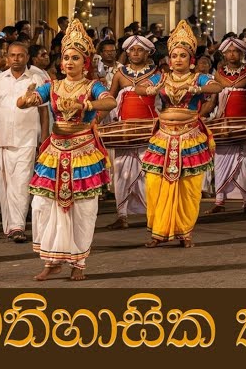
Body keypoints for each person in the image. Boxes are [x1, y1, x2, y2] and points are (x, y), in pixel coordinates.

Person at [16, 20, 116, 281]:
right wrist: (26, 99)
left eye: (75, 58)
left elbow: (111, 100)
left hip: (83, 151)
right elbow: (28, 102)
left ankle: (78, 262)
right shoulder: (53, 85)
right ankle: (52, 259)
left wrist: (88, 106)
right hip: (55, 151)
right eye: (65, 58)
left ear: (85, 62)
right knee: (42, 206)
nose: (69, 62)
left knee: (82, 208)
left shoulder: (92, 85)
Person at [138, 20, 222, 248]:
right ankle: (158, 231)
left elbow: (217, 86)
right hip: (164, 137)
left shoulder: (197, 78)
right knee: (155, 183)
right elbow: (138, 87)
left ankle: (185, 232)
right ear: (169, 59)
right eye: (174, 55)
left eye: (182, 56)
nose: (177, 59)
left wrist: (198, 89)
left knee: (188, 187)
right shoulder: (162, 78)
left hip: (190, 136)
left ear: (190, 59)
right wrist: (150, 89)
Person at [0, 42, 49, 242]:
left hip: (27, 139)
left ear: (27, 57)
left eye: (20, 55)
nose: (16, 59)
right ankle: (10, 227)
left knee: (22, 183)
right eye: (12, 55)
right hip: (2, 139)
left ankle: (17, 226)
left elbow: (44, 112)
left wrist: (44, 139)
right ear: (7, 57)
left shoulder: (38, 78)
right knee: (5, 185)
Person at [208, 36, 246, 213]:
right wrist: (199, 116)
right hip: (224, 126)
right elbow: (212, 102)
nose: (232, 54)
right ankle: (219, 201)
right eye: (228, 51)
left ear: (242, 54)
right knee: (220, 163)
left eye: (236, 51)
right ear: (224, 54)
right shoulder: (218, 74)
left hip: (244, 126)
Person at [106, 35, 160, 230]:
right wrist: (96, 119)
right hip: (125, 131)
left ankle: (152, 215)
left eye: (139, 50)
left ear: (148, 53)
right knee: (121, 171)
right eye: (132, 50)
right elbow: (110, 99)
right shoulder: (120, 74)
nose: (135, 53)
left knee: (148, 173)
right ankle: (122, 215)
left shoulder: (157, 74)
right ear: (127, 53)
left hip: (149, 129)